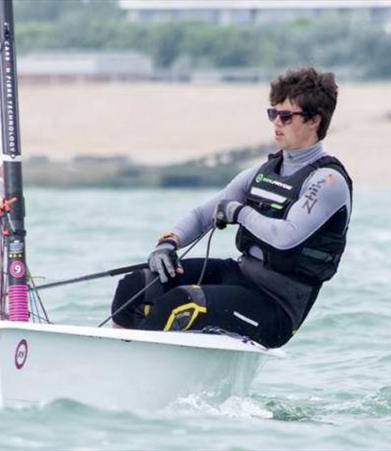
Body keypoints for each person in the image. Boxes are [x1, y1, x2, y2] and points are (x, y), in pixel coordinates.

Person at [110, 66, 352, 349]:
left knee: (183, 304)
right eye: (272, 113)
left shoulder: (328, 181)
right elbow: (204, 214)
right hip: (239, 277)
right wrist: (168, 243)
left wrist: (239, 213)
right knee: (136, 286)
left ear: (314, 121)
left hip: (277, 306)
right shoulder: (260, 173)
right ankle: (118, 360)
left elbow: (286, 238)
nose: (277, 123)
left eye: (286, 116)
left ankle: (137, 367)